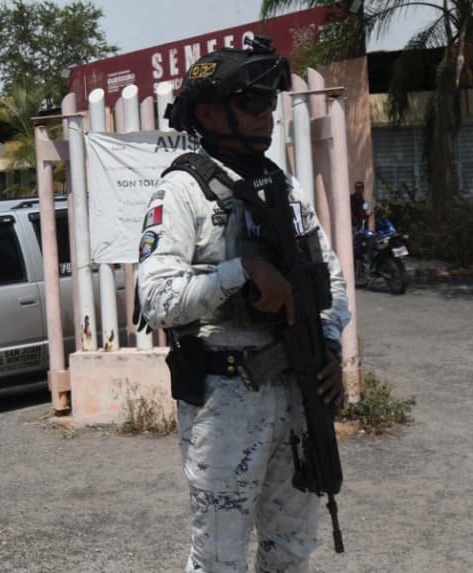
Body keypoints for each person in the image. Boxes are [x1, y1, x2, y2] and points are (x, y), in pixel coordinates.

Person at [136, 38, 351, 573]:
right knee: (219, 558)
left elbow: (332, 277)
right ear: (208, 111)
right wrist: (240, 273)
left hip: (298, 393)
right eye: (252, 105)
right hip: (226, 403)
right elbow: (156, 298)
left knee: (292, 550)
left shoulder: (283, 187)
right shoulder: (183, 190)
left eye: (269, 105)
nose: (266, 117)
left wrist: (328, 346)